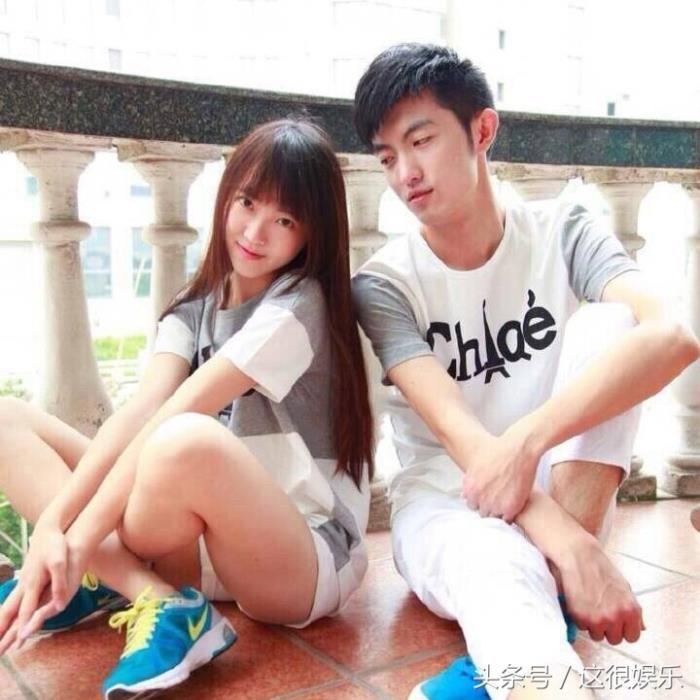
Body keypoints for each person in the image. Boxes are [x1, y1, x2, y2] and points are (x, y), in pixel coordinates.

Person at [351, 43, 700, 700]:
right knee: (497, 561)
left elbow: (673, 335)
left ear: (482, 129)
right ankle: (549, 622)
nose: (405, 174)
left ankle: (525, 633)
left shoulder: (563, 229)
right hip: (449, 505)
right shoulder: (384, 284)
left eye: (420, 142)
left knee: (612, 323)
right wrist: (572, 546)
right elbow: (461, 440)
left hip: (562, 484)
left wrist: (529, 444)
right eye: (388, 157)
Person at [0, 118, 374, 698]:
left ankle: (98, 570)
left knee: (181, 439)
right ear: (226, 197)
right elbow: (141, 409)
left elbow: (177, 412)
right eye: (247, 203)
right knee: (6, 420)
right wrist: (51, 527)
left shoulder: (302, 303)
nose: (256, 231)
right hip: (198, 546)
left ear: (311, 234)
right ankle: (150, 593)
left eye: (285, 220)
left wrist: (75, 544)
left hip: (299, 560)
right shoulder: (196, 304)